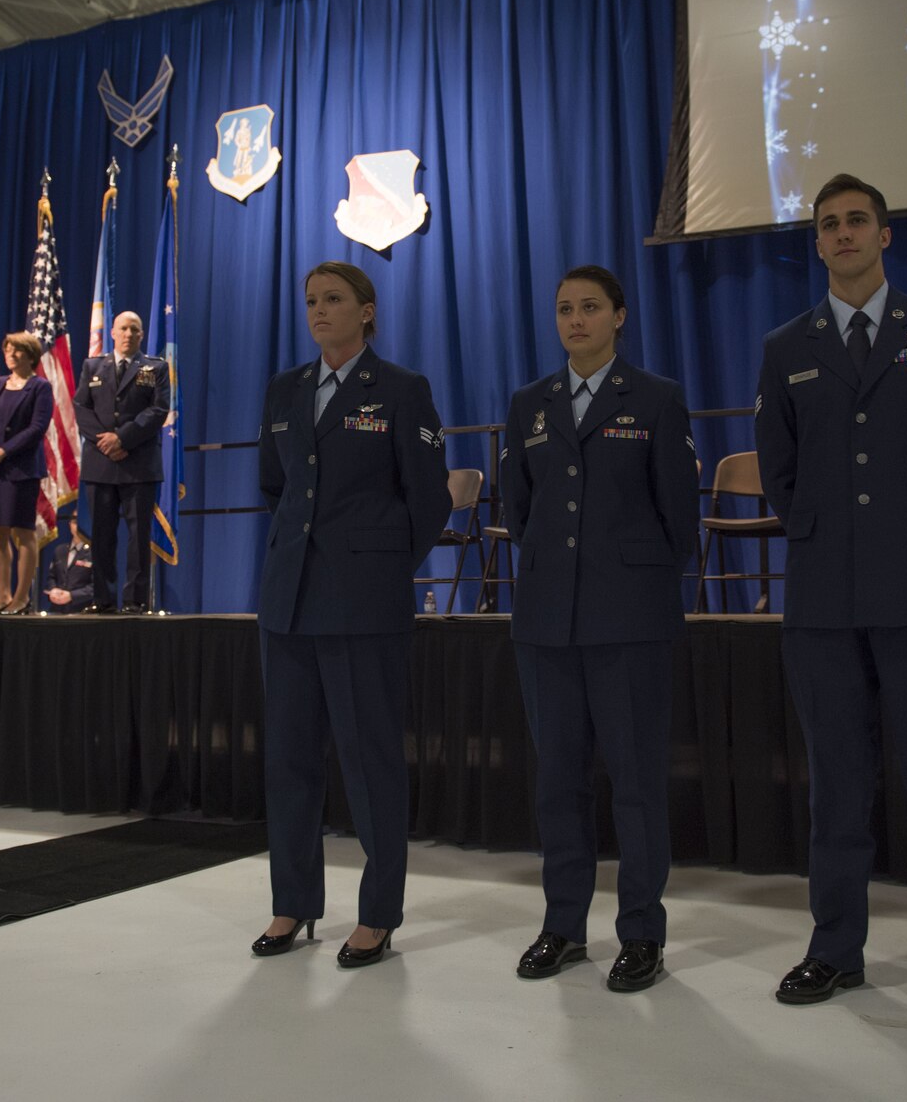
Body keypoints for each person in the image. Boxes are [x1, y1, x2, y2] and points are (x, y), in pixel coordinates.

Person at [754, 172, 907, 1021]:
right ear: (817, 242)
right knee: (837, 785)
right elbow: (780, 474)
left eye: (859, 220)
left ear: (885, 235)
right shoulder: (786, 346)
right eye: (830, 224)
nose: (845, 233)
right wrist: (834, 539)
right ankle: (835, 949)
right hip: (824, 596)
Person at [500, 265, 698, 993]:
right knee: (558, 782)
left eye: (590, 307)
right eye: (564, 309)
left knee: (638, 784)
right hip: (549, 619)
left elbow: (679, 517)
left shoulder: (656, 399)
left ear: (619, 315)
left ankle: (642, 932)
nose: (575, 319)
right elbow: (519, 510)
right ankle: (563, 926)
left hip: (630, 619)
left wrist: (628, 577)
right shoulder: (532, 404)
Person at [251, 261, 451, 968]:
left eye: (333, 299)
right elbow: (274, 486)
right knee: (290, 760)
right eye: (311, 300)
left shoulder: (400, 389)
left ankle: (377, 913)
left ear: (366, 311)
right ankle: (294, 901)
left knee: (369, 763)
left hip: (362, 604)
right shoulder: (286, 390)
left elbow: (429, 499)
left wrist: (378, 565)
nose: (319, 310)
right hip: (290, 600)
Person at [74, 310, 170, 613]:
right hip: (101, 463)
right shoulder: (93, 366)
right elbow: (80, 407)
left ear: (141, 335)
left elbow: (158, 410)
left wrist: (122, 439)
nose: (128, 334)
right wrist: (106, 441)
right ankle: (101, 599)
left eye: (135, 330)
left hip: (138, 463)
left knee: (138, 537)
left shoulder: (156, 367)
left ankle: (135, 599)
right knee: (101, 536)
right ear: (112, 333)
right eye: (123, 329)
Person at [0, 331, 55, 616]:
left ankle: (21, 597)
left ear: (31, 356)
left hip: (20, 469)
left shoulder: (40, 387)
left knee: (22, 532)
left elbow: (36, 428)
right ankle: (3, 595)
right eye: (8, 349)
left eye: (18, 350)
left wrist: (2, 452)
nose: (11, 354)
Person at [45, 511, 96, 612]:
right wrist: (53, 589)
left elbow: (96, 586)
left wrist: (72, 596)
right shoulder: (60, 550)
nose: (77, 526)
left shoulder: (94, 552)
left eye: (80, 522)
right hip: (56, 610)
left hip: (82, 611)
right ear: (70, 524)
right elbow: (51, 577)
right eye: (75, 522)